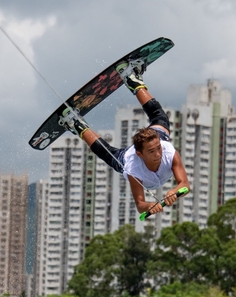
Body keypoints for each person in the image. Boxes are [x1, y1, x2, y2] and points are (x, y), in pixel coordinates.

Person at [58, 60, 190, 216]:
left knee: (160, 118)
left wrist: (173, 191)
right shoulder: (134, 167)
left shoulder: (169, 153)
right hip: (125, 157)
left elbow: (185, 184)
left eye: (158, 149)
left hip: (157, 136)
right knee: (106, 152)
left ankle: (131, 79)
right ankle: (75, 122)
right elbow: (140, 204)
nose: (158, 154)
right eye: (152, 151)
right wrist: (150, 206)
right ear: (140, 154)